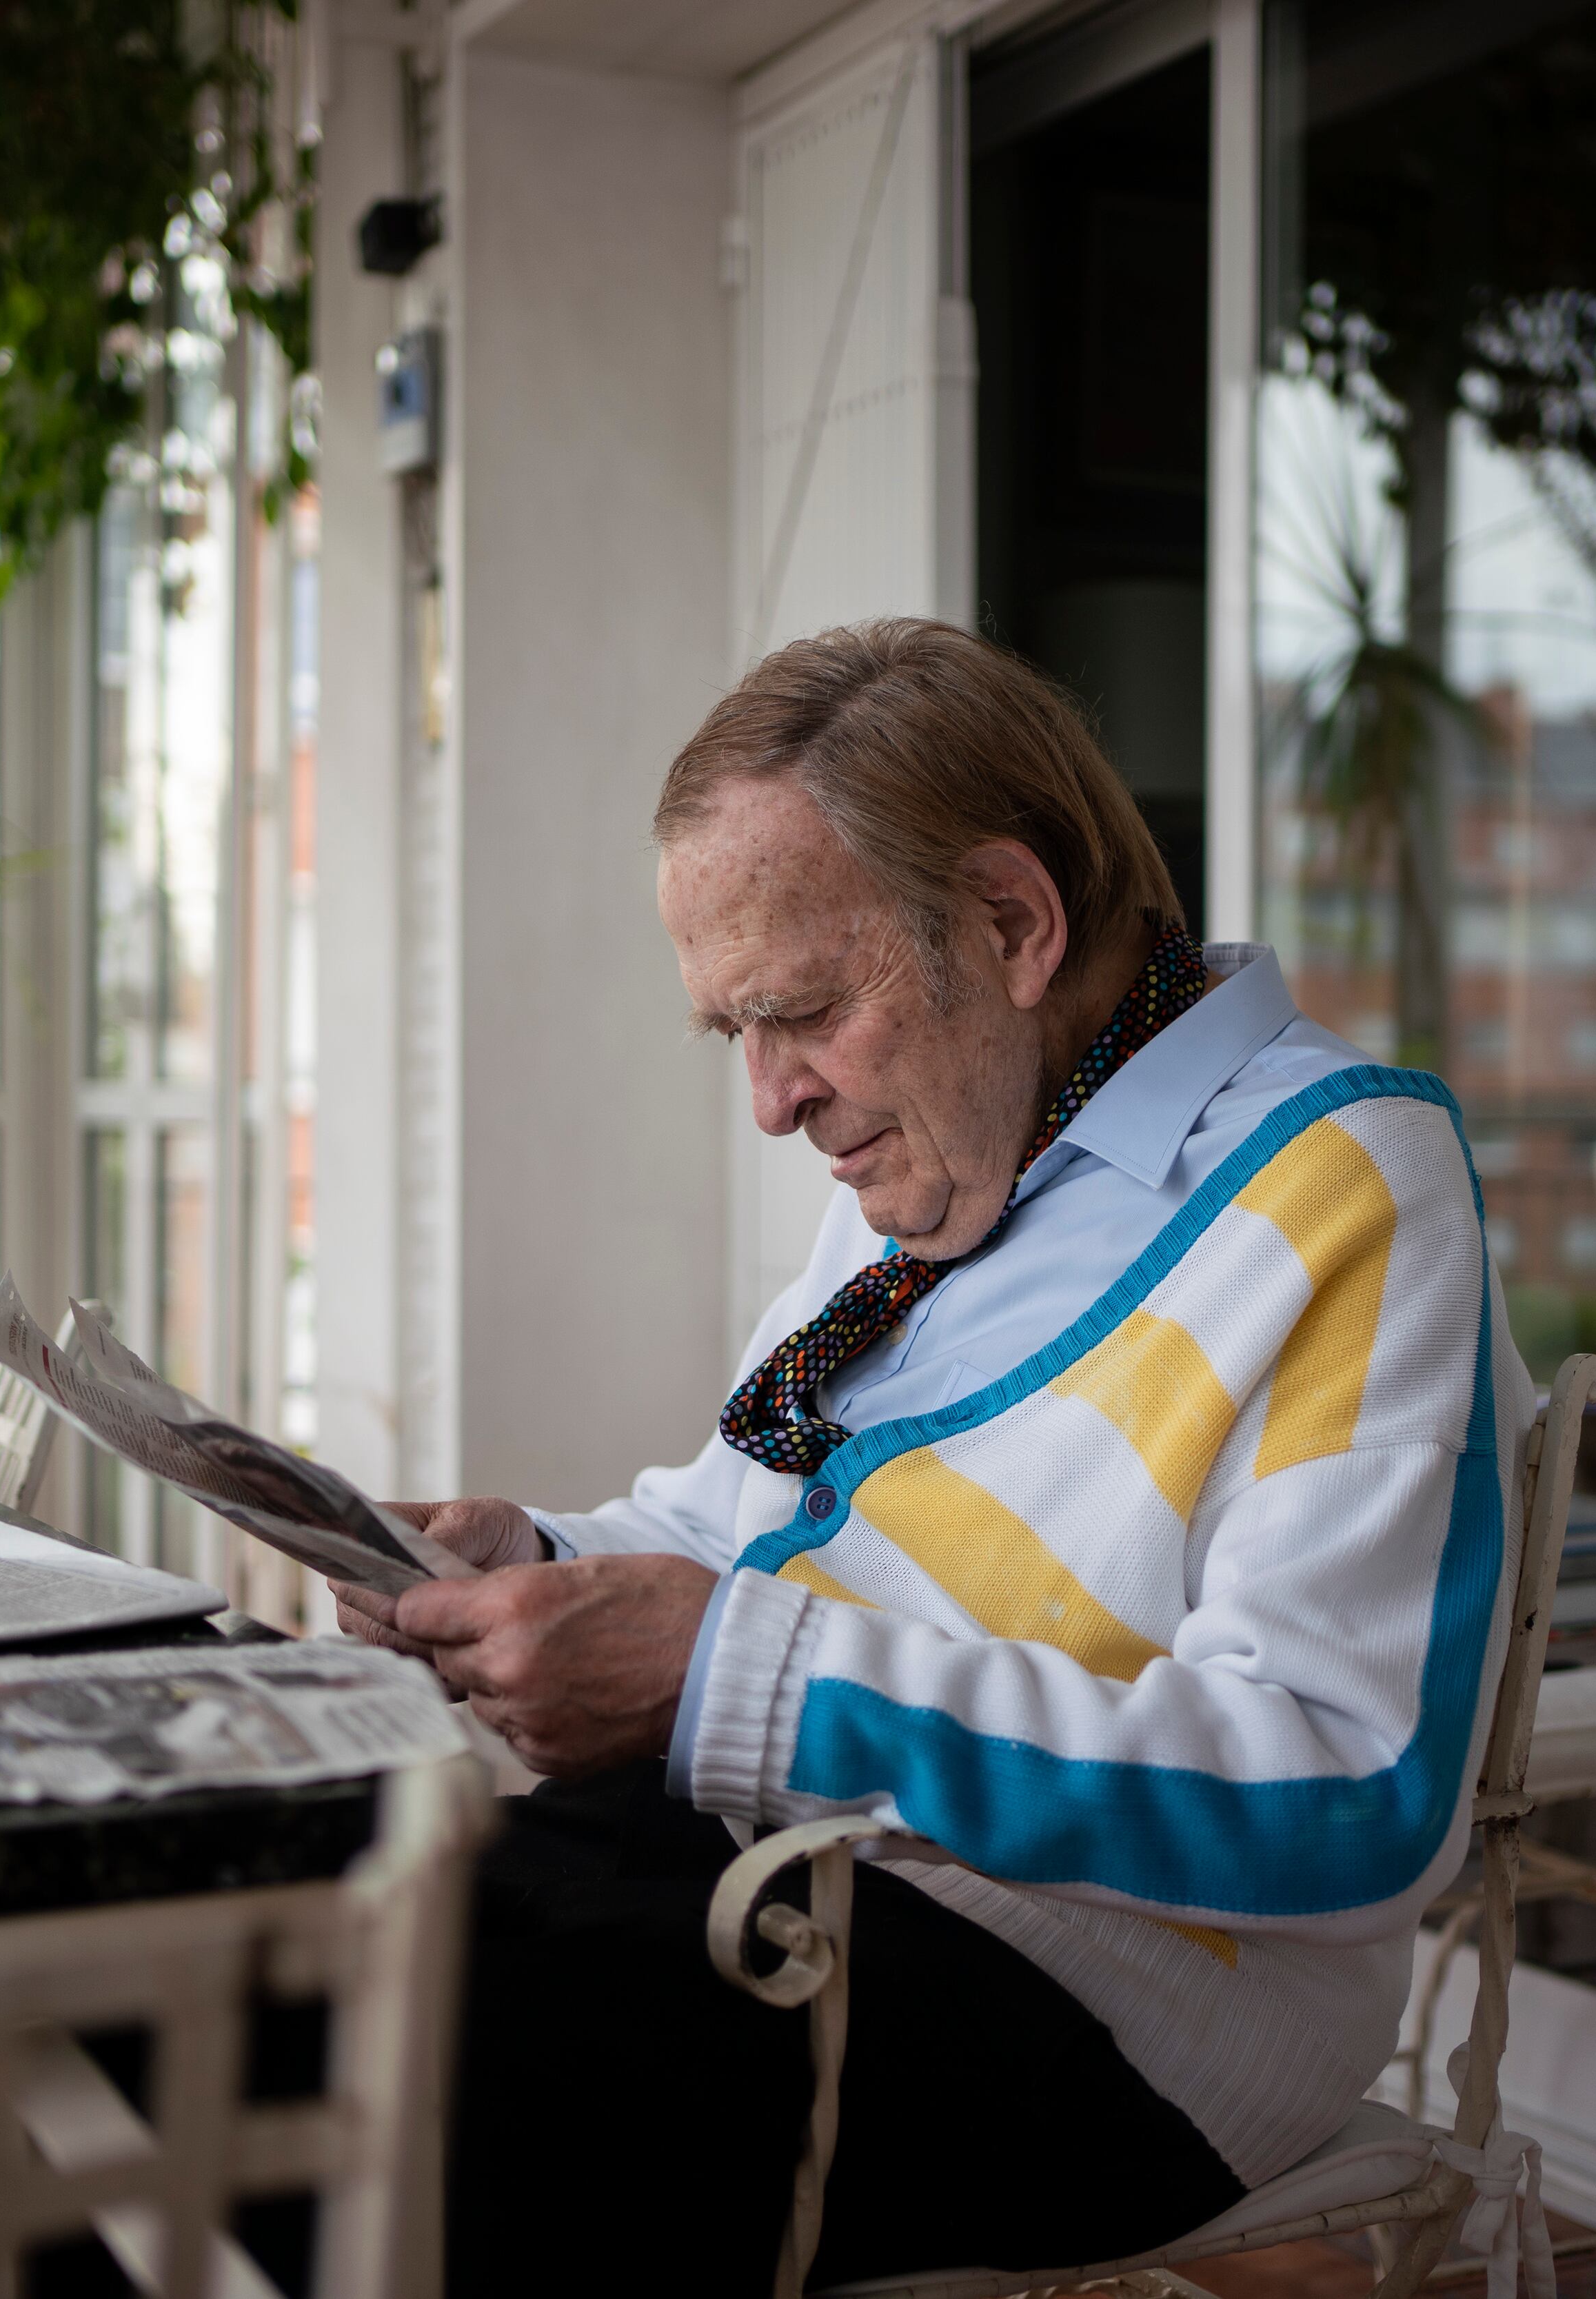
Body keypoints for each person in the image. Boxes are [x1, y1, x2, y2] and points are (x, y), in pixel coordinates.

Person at [339, 618, 1531, 2298]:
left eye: (803, 1011)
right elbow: (728, 1528)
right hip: (801, 1874)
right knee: (247, 1933)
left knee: (417, 2060)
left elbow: (1348, 1790)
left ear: (1010, 922)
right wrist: (524, 1560)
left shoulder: (1341, 1180)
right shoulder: (945, 1162)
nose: (769, 1102)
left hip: (1114, 2000)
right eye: (731, 1033)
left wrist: (734, 1683)